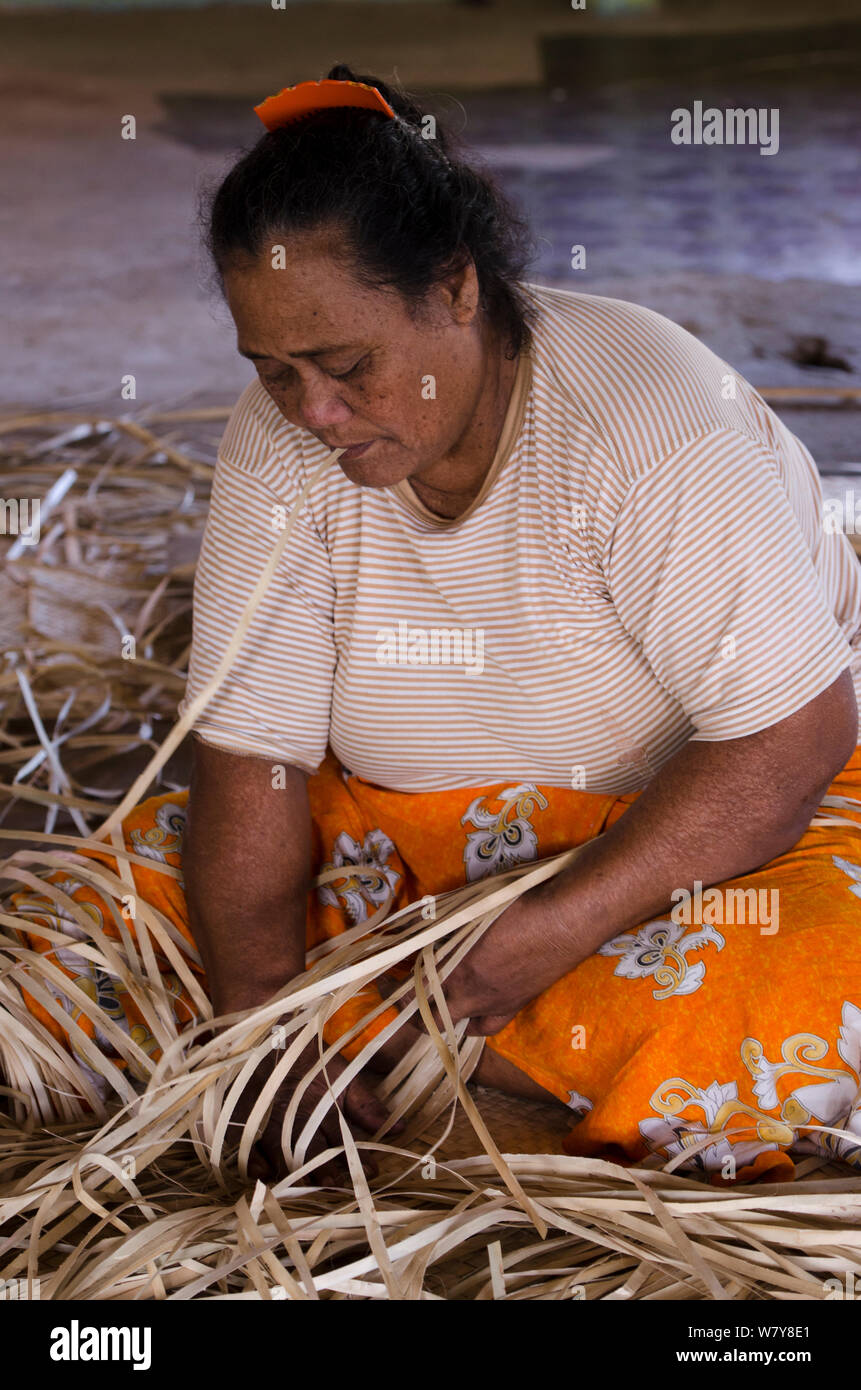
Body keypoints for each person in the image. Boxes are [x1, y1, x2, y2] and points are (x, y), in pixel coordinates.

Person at [17, 65, 861, 1183]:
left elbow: (789, 748)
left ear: (457, 289)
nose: (313, 413)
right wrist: (263, 1021)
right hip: (386, 854)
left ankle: (433, 1065)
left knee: (793, 999)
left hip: (685, 847)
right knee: (65, 951)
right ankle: (458, 1073)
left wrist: (543, 933)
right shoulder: (282, 449)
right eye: (273, 372)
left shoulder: (652, 425)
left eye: (347, 365)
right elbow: (251, 764)